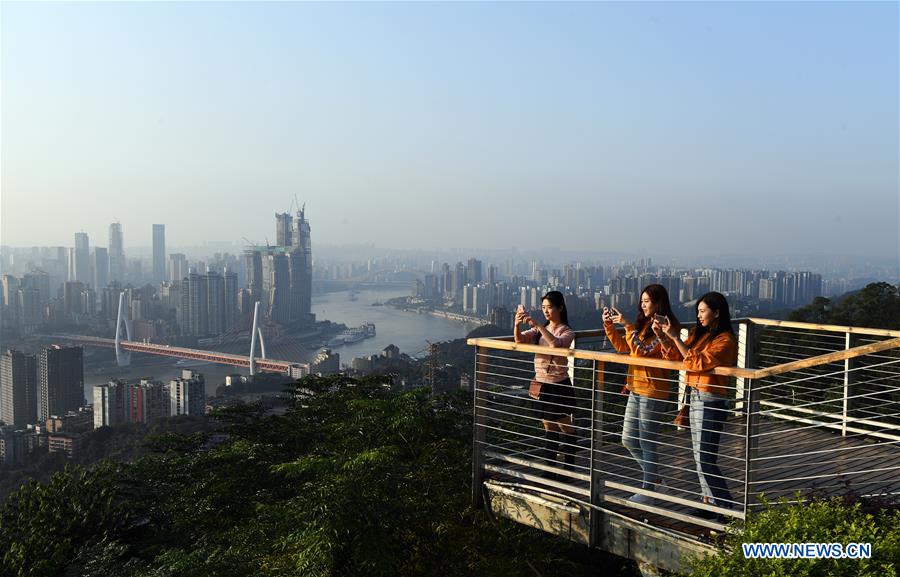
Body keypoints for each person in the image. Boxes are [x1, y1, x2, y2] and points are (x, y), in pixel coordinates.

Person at [657, 291, 737, 515]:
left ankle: (725, 508)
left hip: (711, 400)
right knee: (698, 455)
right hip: (694, 397)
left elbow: (697, 362)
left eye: (703, 311)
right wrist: (664, 336)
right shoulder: (698, 335)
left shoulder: (725, 340)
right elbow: (676, 357)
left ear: (717, 312)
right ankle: (709, 504)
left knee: (706, 458)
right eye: (698, 311)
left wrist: (674, 337)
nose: (699, 315)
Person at [603, 284, 679, 504]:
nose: (643, 305)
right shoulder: (643, 325)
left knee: (647, 441)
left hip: (653, 390)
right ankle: (655, 480)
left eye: (647, 301)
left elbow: (643, 350)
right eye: (642, 301)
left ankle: (649, 490)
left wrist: (627, 325)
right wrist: (609, 326)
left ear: (659, 303)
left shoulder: (665, 326)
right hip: (635, 387)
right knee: (628, 439)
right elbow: (624, 348)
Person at [515, 291, 577, 476]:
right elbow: (518, 340)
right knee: (548, 425)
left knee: (565, 425)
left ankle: (568, 468)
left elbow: (556, 345)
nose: (546, 311)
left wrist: (538, 326)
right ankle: (549, 468)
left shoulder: (567, 331)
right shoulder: (538, 329)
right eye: (543, 308)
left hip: (558, 384)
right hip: (541, 383)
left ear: (560, 308)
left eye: (549, 307)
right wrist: (517, 323)